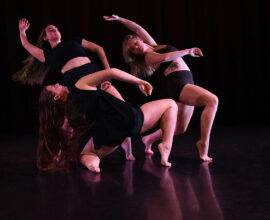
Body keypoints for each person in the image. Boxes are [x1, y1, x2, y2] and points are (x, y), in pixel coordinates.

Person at [13, 18, 136, 167]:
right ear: (45, 38)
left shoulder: (74, 41)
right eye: (50, 30)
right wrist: (22, 32)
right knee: (68, 122)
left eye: (56, 28)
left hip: (96, 77)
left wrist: (107, 72)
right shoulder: (47, 54)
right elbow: (26, 45)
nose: (55, 30)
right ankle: (60, 152)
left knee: (123, 107)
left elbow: (99, 49)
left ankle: (128, 150)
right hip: (76, 85)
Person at [104, 15, 219, 162]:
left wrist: (119, 19)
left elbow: (138, 28)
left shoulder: (154, 45)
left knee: (180, 128)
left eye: (135, 43)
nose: (136, 48)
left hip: (185, 82)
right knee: (212, 100)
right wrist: (187, 51)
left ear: (139, 39)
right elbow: (166, 58)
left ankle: (148, 139)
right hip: (177, 85)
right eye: (132, 49)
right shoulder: (149, 57)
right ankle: (203, 143)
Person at [43, 67, 178, 173]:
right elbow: (112, 72)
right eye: (54, 87)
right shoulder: (79, 85)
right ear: (56, 97)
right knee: (171, 104)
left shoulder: (70, 116)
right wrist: (139, 81)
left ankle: (93, 163)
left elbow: (67, 135)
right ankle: (166, 145)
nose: (56, 83)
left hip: (109, 136)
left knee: (86, 153)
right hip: (130, 121)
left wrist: (58, 154)